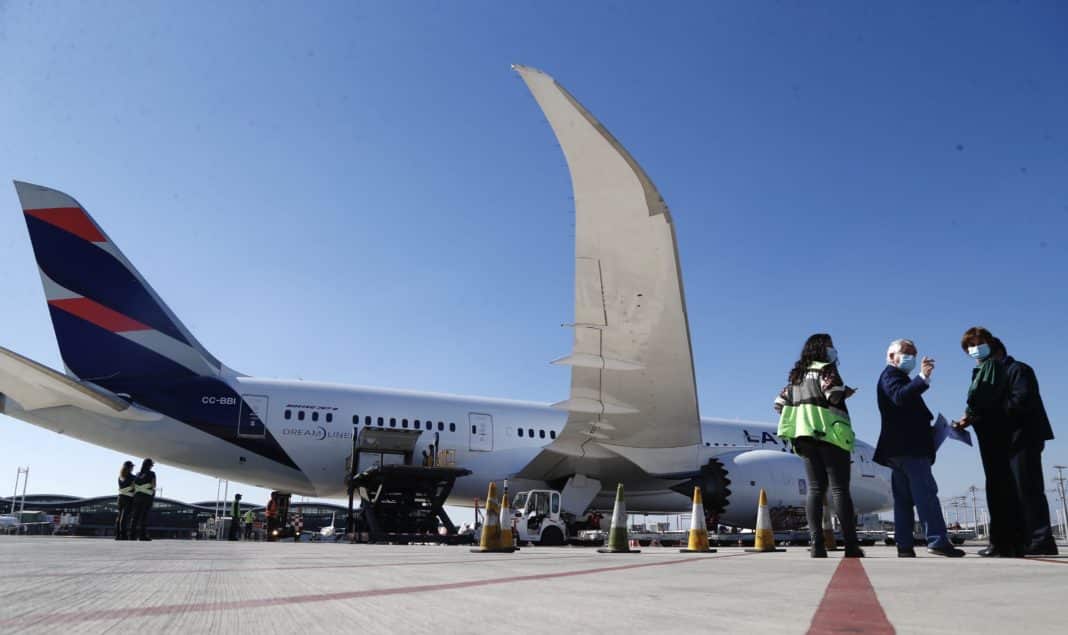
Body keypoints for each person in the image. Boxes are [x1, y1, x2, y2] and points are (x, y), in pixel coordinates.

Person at [775, 333, 864, 558]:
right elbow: (833, 396)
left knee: (815, 490)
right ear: (822, 349)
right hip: (830, 435)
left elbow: (778, 405)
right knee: (840, 489)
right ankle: (851, 545)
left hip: (803, 437)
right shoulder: (826, 370)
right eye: (831, 346)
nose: (834, 350)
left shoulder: (796, 377)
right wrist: (845, 392)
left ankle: (817, 545)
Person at [874, 339, 965, 557]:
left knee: (904, 500)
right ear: (890, 356)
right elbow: (900, 397)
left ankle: (904, 545)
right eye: (906, 353)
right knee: (926, 495)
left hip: (899, 450)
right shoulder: (890, 376)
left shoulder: (897, 377)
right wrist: (923, 377)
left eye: (914, 354)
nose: (911, 357)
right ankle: (937, 540)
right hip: (909, 449)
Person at [956, 327, 1023, 557]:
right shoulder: (986, 367)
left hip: (992, 431)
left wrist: (969, 416)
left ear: (989, 342)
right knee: (1002, 485)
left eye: (977, 343)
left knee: (998, 486)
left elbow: (982, 398)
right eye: (969, 346)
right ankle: (1011, 542)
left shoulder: (991, 367)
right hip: (992, 430)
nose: (974, 349)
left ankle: (1001, 543)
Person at [991, 338, 1058, 555]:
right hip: (1010, 440)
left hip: (1024, 438)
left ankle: (1041, 539)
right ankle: (1025, 538)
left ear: (998, 352)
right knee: (1016, 491)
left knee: (1028, 489)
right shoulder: (1002, 373)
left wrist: (991, 413)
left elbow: (1022, 399)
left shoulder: (1018, 369)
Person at [129, 458, 157, 541]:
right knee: (144, 517)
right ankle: (142, 535)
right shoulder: (152, 473)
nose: (152, 466)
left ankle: (132, 535)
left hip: (137, 497)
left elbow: (133, 486)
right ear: (150, 465)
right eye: (152, 465)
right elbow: (154, 485)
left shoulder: (137, 474)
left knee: (135, 517)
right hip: (146, 497)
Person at [115, 460, 136, 540]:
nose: (132, 468)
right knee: (124, 517)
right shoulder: (132, 477)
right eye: (132, 467)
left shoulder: (120, 477)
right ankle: (123, 535)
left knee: (119, 516)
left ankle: (117, 535)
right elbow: (134, 488)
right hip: (128, 498)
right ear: (130, 468)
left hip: (120, 497)